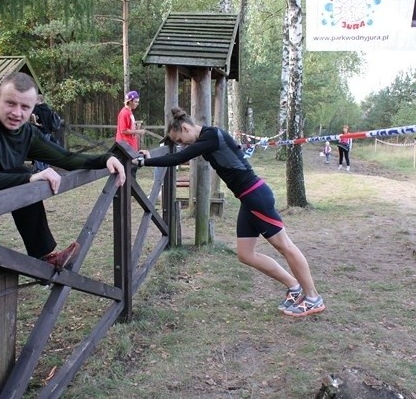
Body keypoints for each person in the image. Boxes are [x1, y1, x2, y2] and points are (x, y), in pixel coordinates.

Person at [134, 107, 325, 317]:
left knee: (284, 246)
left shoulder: (211, 137)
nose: (181, 144)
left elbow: (178, 159)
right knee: (246, 254)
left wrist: (145, 161)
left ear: (186, 127)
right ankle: (294, 286)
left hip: (256, 196)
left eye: (180, 139)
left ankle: (313, 298)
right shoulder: (207, 137)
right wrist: (152, 152)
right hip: (248, 199)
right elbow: (185, 151)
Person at [0, 72, 126, 269]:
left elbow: (67, 158)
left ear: (34, 107)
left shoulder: (28, 133)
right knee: (22, 174)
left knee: (21, 174)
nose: (17, 113)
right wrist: (29, 178)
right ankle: (44, 259)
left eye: (25, 107)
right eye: (10, 103)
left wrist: (107, 157)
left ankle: (44, 260)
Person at [31, 94, 63, 172]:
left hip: (40, 131)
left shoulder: (37, 108)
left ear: (38, 100)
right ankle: (46, 167)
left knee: (38, 150)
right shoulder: (48, 108)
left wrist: (35, 123)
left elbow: (32, 115)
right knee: (46, 149)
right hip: (48, 132)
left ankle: (40, 168)